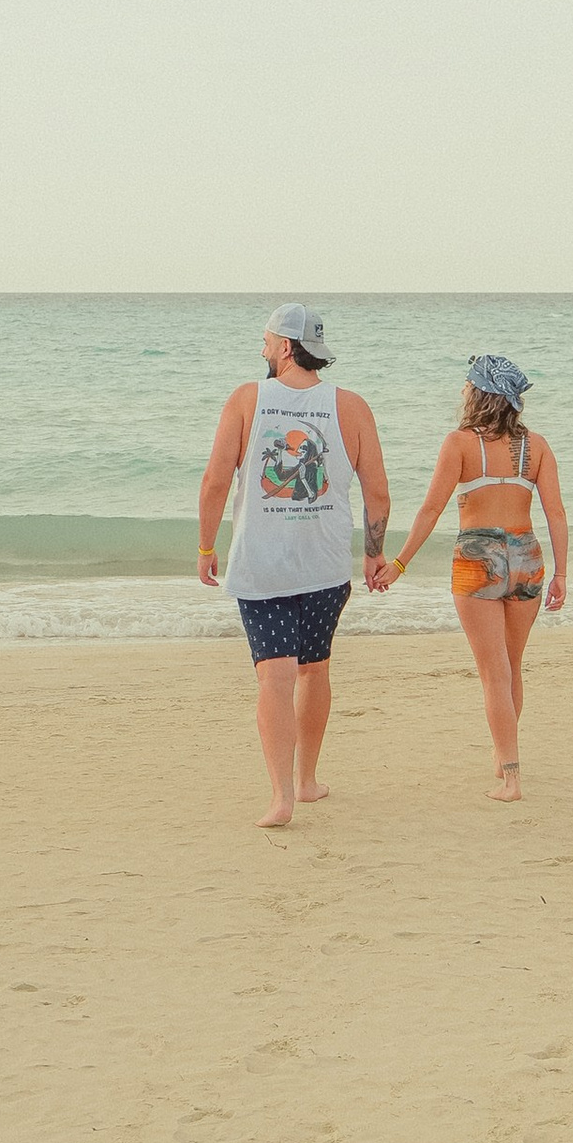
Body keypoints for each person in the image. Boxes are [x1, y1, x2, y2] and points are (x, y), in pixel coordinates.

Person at [198, 305, 393, 830]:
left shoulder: (246, 399)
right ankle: (307, 781)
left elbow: (217, 480)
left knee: (274, 678)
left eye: (265, 341)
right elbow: (377, 491)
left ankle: (281, 796)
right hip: (327, 568)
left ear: (285, 346)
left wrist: (204, 547)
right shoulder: (351, 406)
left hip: (262, 568)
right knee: (314, 669)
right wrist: (374, 553)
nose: (261, 350)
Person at [389, 351, 567, 801]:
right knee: (511, 667)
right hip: (527, 555)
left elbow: (431, 509)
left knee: (492, 673)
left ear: (478, 394)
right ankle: (502, 753)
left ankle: (511, 776)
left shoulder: (460, 443)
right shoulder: (537, 446)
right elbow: (556, 513)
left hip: (478, 556)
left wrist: (399, 563)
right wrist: (562, 573)